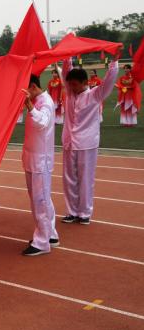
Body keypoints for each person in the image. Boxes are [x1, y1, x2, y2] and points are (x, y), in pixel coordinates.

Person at [59, 55, 119, 225]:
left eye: (75, 84)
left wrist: (114, 61)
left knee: (86, 179)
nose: (71, 87)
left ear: (85, 82)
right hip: (69, 142)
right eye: (70, 84)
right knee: (69, 179)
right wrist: (68, 55)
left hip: (87, 143)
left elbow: (109, 81)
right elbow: (66, 71)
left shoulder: (95, 94)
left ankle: (84, 212)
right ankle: (72, 211)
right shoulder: (70, 93)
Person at [20, 75, 59, 256]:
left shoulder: (46, 102)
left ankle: (42, 242)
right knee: (41, 199)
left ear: (33, 86)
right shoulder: (37, 100)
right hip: (32, 158)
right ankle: (50, 234)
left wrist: (29, 105)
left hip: (40, 160)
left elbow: (42, 123)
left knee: (40, 201)